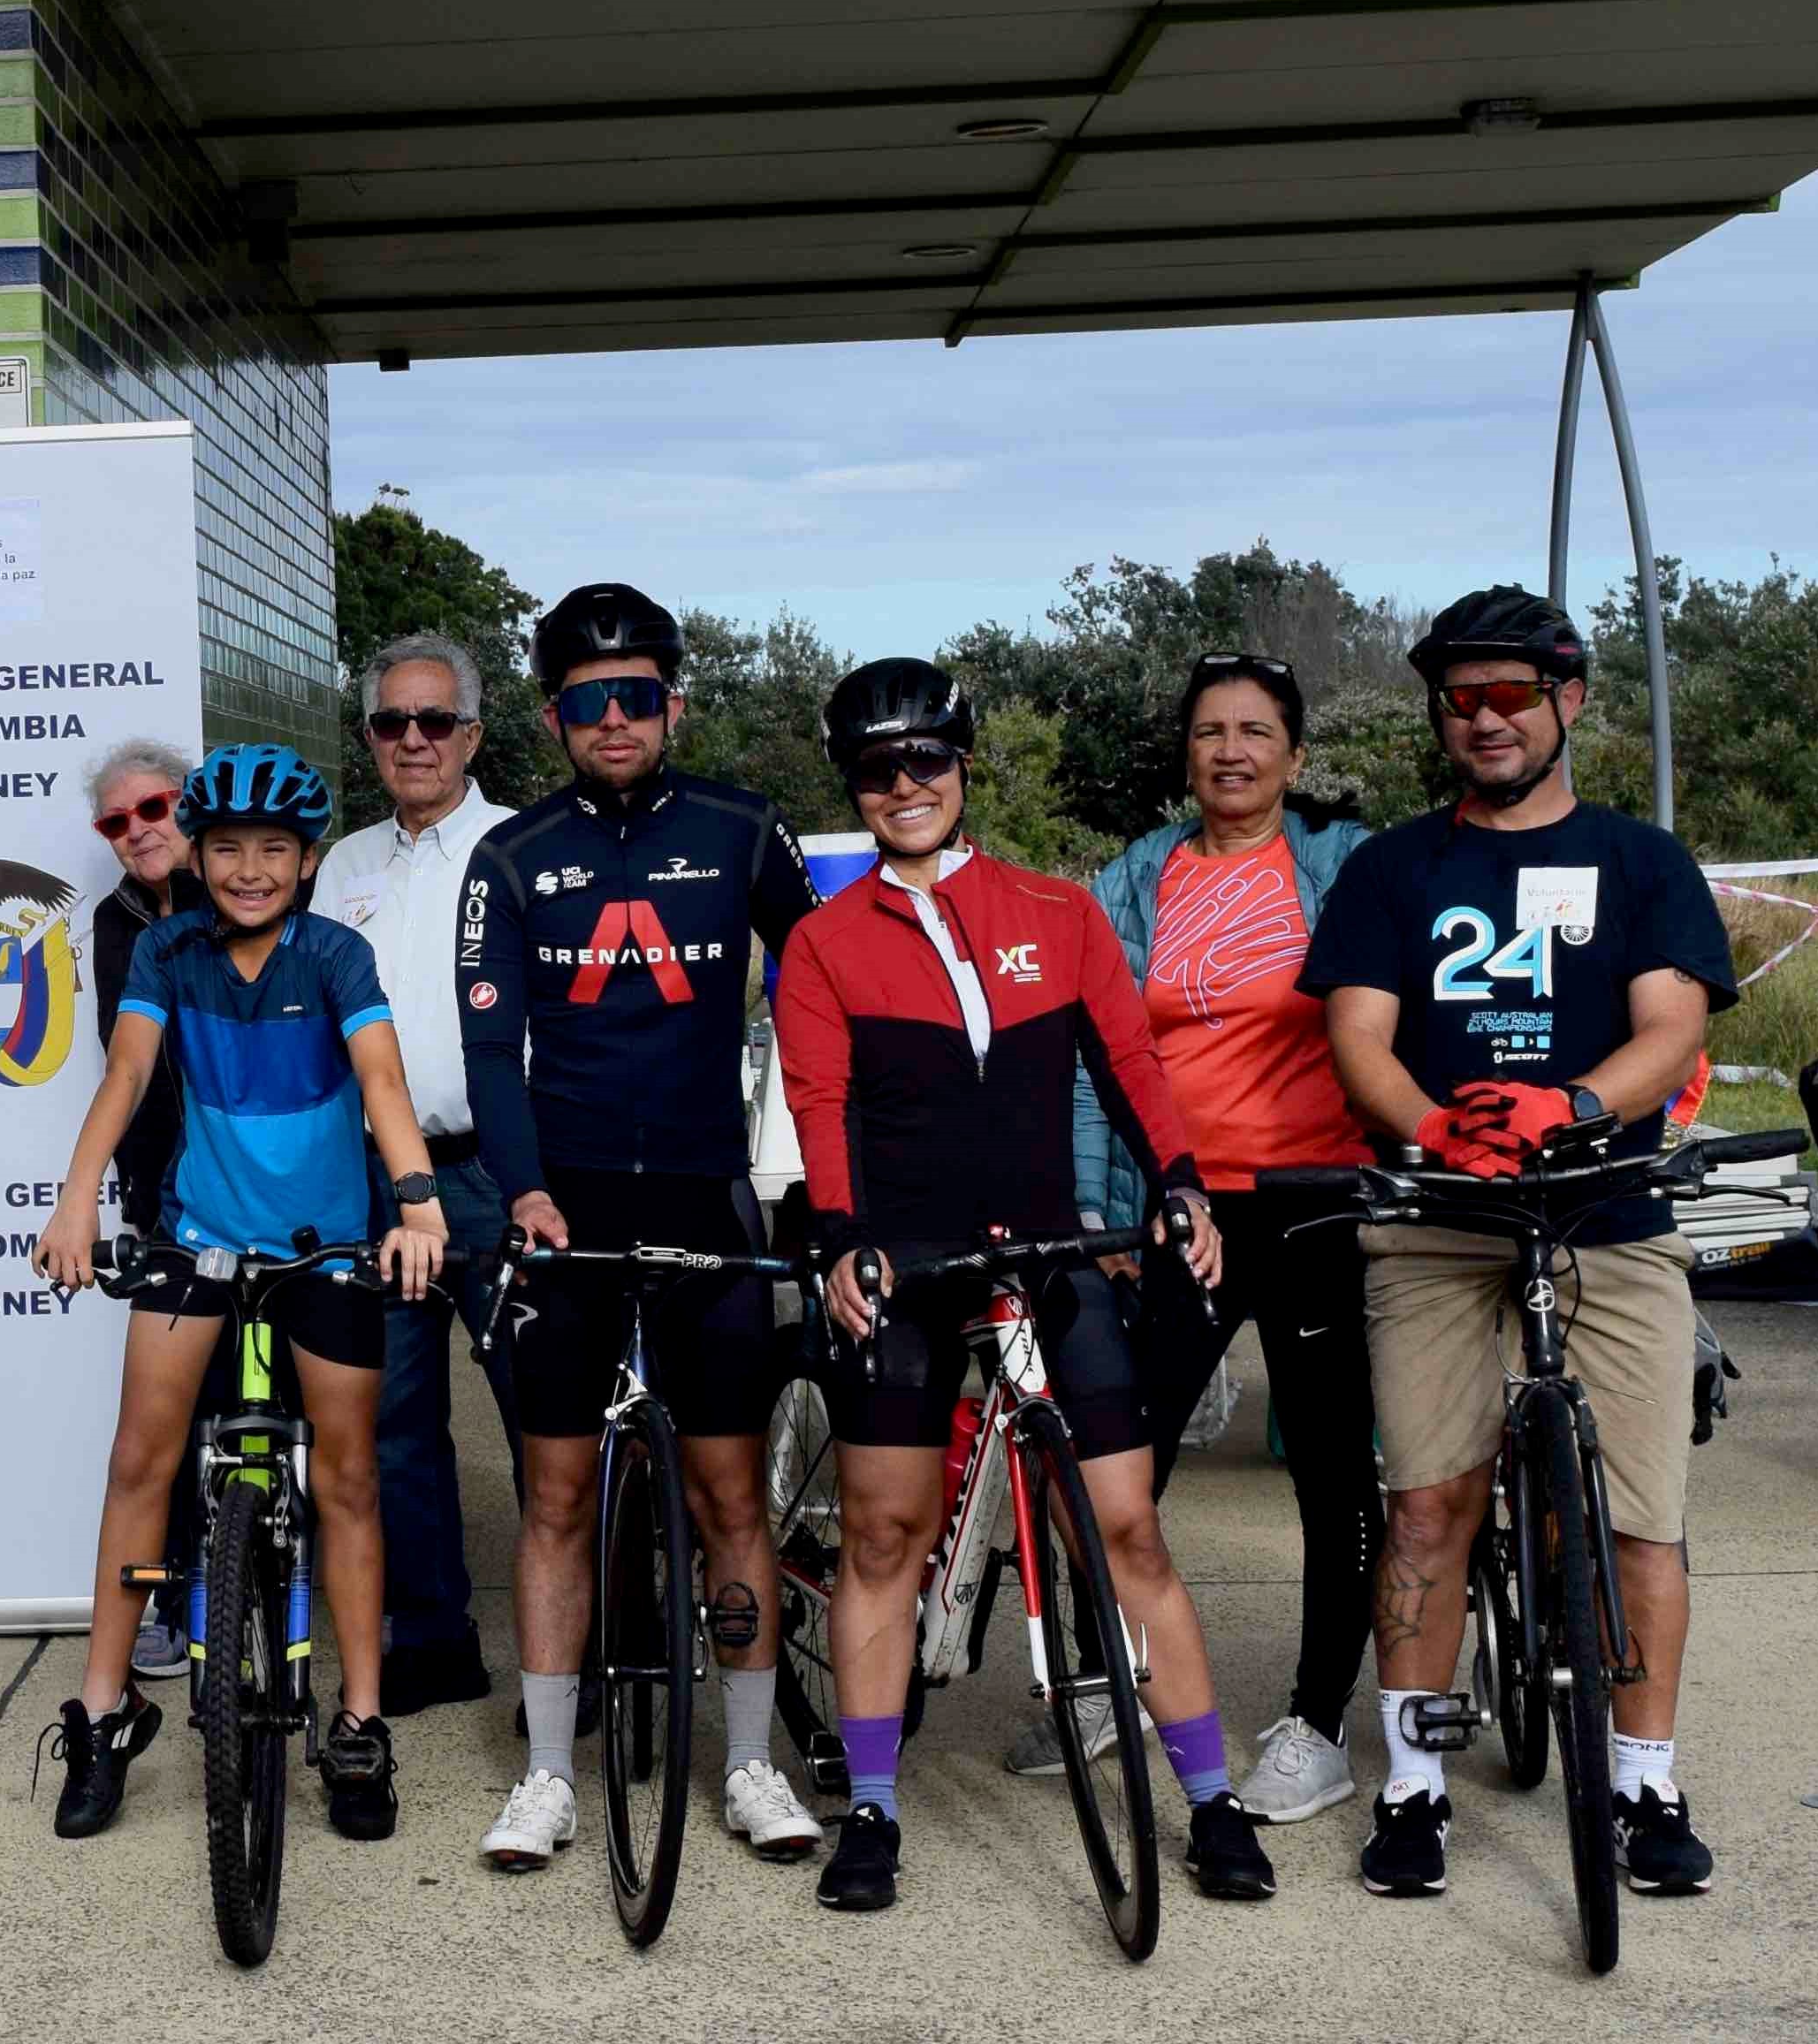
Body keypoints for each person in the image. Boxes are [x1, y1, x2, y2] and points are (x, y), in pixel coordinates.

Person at [773, 659, 1275, 1913]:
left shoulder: (1052, 911)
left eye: (925, 762)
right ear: (854, 784)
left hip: (1045, 1256)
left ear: (961, 766)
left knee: (1127, 1534)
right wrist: (841, 1237)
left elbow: (1128, 1064)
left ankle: (1209, 1801)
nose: (904, 787)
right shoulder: (824, 940)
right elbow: (819, 1104)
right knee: (884, 1536)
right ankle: (874, 1809)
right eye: (877, 770)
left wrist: (1177, 1182)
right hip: (905, 1263)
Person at [1304, 588, 1738, 1900]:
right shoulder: (1394, 865)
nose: (1482, 719)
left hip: (1607, 1209)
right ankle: (1412, 1784)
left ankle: (1643, 1778)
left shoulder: (1637, 859)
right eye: (1458, 698)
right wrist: (1437, 1125)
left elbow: (1669, 1023)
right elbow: (1356, 1038)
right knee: (1427, 1504)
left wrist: (1576, 1104)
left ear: (1569, 699)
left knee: (1637, 1523)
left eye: (1508, 694)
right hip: (1438, 1221)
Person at [452, 583, 825, 1874]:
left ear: (672, 700)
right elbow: (489, 1045)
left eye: (638, 693)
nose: (614, 719)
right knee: (553, 1497)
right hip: (567, 1202)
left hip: (702, 1197)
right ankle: (548, 1774)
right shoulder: (507, 853)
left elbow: (824, 991)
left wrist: (818, 1163)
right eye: (586, 699)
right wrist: (522, 1188)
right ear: (552, 716)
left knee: (730, 1498)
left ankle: (749, 1762)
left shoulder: (740, 826)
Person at [32, 743, 453, 1843]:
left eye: (273, 850)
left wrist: (414, 1201)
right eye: (227, 848)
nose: (249, 869)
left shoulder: (336, 957)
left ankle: (358, 1721)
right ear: (198, 856)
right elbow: (125, 1074)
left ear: (307, 861)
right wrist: (76, 1203)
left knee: (349, 1478)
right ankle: (101, 1706)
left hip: (326, 1247)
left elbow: (381, 1079)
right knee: (141, 1459)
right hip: (197, 1236)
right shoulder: (167, 951)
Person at [1062, 654, 1379, 1827]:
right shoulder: (1132, 881)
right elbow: (1093, 1057)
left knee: (1335, 1467)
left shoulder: (1343, 869)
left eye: (1254, 731)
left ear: (1293, 757)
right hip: (1176, 1208)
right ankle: (1124, 1677)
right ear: (1185, 754)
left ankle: (1314, 1719)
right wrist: (1101, 1213)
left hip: (1314, 1197)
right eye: (1208, 732)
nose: (1229, 750)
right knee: (1123, 1459)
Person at [318, 634, 513, 1715]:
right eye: (390, 723)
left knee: (544, 1421)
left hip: (490, 1169)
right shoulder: (339, 865)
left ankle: (567, 1656)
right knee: (390, 1424)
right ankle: (433, 1639)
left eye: (432, 721)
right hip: (373, 1183)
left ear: (470, 735)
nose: (411, 740)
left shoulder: (520, 847)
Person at [81, 741, 206, 1681]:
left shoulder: (249, 894)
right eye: (115, 822)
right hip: (161, 1195)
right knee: (169, 1422)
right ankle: (172, 1594)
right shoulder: (113, 919)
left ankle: (257, 1589)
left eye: (152, 809)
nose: (137, 832)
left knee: (269, 1405)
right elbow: (119, 1066)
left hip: (261, 1185)